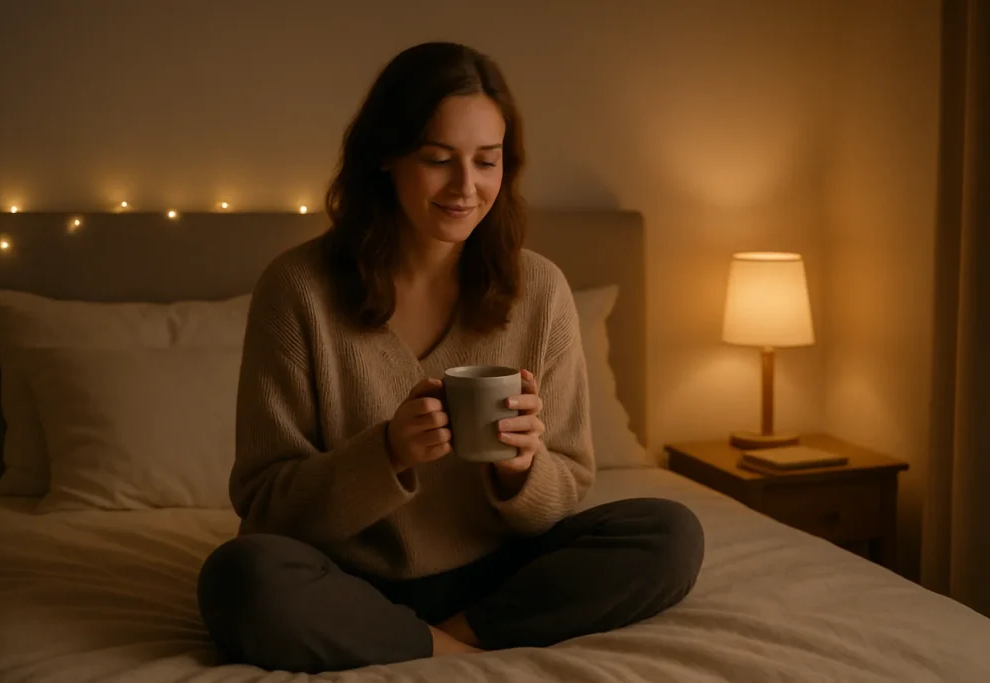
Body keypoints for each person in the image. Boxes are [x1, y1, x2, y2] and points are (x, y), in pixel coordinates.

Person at [197, 41, 704, 675]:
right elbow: (266, 505)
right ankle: (456, 647)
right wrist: (386, 454)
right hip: (349, 577)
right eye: (438, 160)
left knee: (671, 533)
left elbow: (568, 484)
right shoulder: (297, 290)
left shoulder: (539, 290)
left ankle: (442, 641)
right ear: (386, 156)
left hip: (495, 576)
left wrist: (522, 469)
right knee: (241, 577)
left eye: (486, 162)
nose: (467, 188)